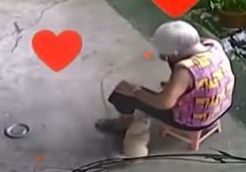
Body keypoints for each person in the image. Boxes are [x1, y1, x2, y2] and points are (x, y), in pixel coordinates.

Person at [96, 20, 235, 137]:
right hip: (221, 107)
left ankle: (123, 123)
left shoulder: (184, 70)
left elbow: (163, 103)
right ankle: (176, 89)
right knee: (174, 69)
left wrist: (135, 91)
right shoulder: (213, 45)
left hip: (194, 120)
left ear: (175, 52)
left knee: (122, 91)